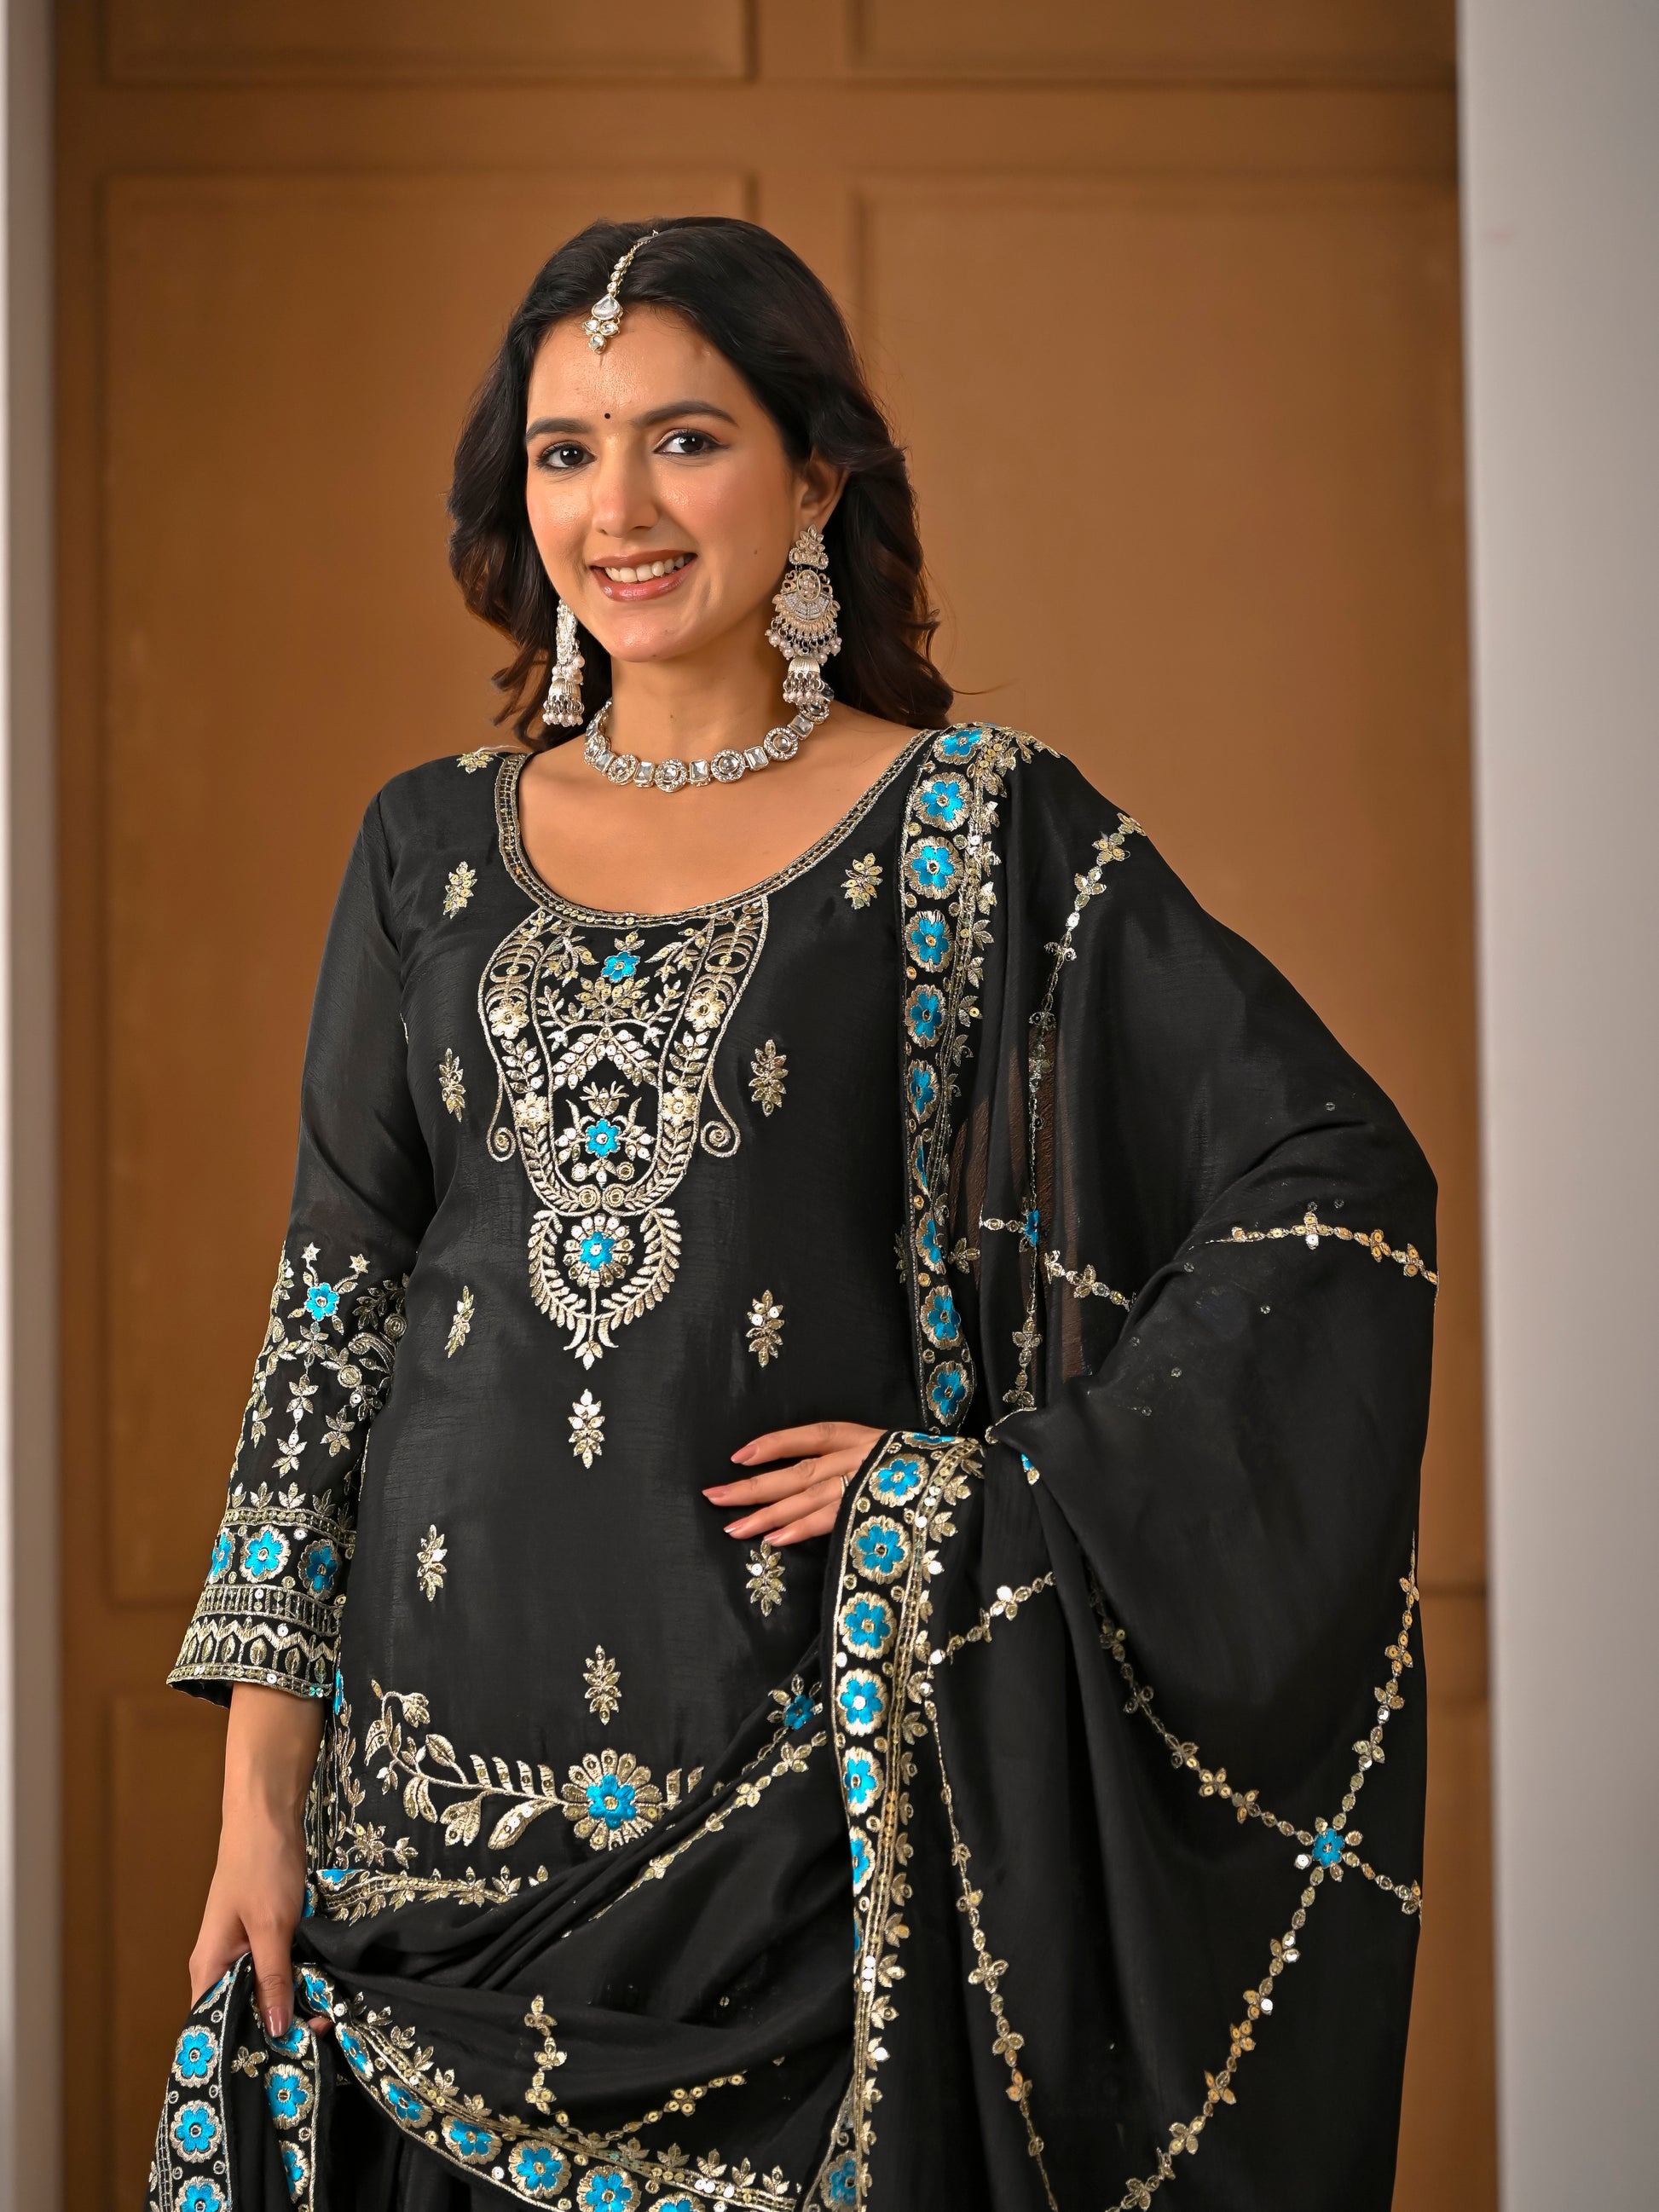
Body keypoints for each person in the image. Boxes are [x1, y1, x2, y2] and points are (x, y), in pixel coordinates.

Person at [148, 217, 1435, 2212]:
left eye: (684, 438)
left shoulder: (973, 826)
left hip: (797, 1833)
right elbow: (331, 1318)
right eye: (563, 452)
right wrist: (257, 1805)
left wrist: (982, 1486)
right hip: (415, 1844)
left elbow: (1329, 1184)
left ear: (813, 473)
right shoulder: (424, 845)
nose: (617, 508)